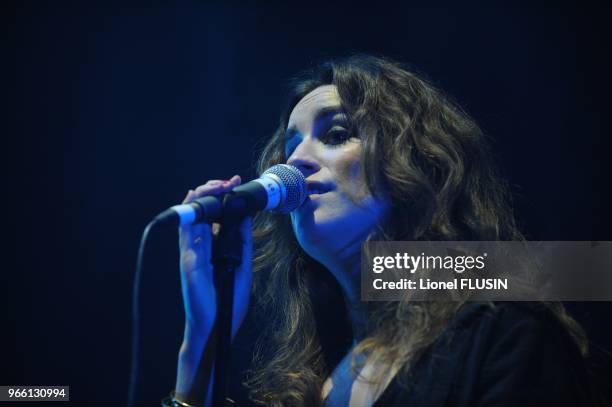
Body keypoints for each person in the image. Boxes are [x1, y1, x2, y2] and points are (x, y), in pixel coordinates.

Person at [163, 55, 596, 406]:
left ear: (415, 163)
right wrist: (204, 338)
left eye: (335, 134)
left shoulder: (504, 333)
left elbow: (588, 270)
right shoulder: (317, 382)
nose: (292, 163)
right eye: (290, 147)